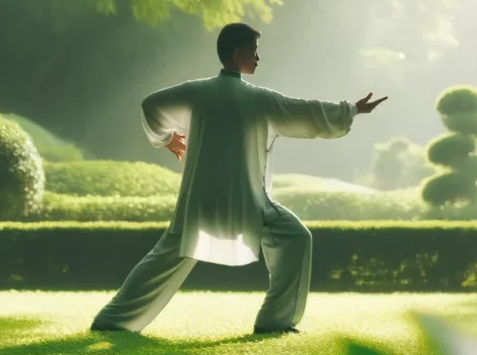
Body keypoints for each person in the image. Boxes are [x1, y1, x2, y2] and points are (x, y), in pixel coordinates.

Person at [90, 23, 387, 335]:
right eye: (254, 51)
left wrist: (165, 138)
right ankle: (275, 321)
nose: (258, 58)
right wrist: (352, 110)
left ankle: (113, 320)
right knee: (296, 238)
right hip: (249, 203)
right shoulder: (258, 99)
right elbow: (305, 112)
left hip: (202, 203)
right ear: (238, 54)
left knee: (167, 258)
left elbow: (151, 104)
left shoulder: (198, 92)